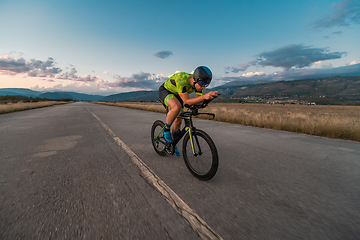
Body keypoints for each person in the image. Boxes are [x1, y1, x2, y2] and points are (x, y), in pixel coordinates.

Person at [158, 66, 219, 156]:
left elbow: (197, 99)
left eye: (205, 85)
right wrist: (205, 96)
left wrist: (208, 99)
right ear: (195, 79)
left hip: (179, 94)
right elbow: (186, 101)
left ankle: (172, 144)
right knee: (176, 106)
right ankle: (166, 129)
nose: (202, 87)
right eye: (202, 83)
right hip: (166, 91)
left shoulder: (198, 85)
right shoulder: (182, 79)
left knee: (178, 121)